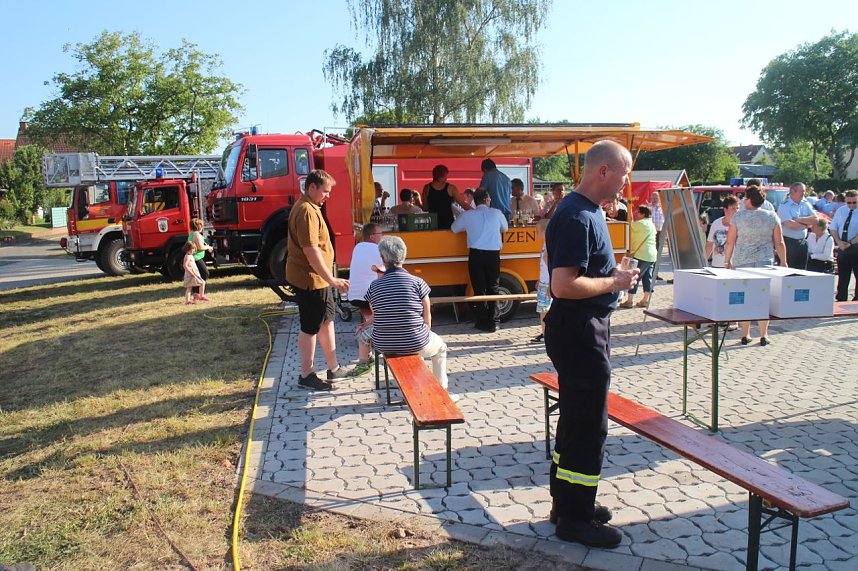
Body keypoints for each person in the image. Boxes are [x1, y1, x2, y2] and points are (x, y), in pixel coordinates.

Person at [544, 140, 639, 548]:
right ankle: (575, 519)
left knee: (576, 419)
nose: (626, 182)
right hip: (581, 329)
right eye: (625, 172)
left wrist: (610, 274)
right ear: (604, 171)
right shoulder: (576, 216)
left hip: (583, 326)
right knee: (588, 425)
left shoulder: (589, 211)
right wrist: (615, 282)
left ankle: (567, 502)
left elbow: (582, 273)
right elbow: (563, 286)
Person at [362, 235, 457, 401]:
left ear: (383, 259)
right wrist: (423, 329)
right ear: (404, 256)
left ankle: (415, 388)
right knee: (440, 348)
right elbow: (427, 315)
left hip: (384, 343)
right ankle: (441, 393)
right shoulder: (417, 282)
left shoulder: (374, 286)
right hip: (415, 341)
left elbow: (375, 313)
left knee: (411, 346)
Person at [285, 169, 351, 391]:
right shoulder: (306, 211)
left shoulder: (311, 207)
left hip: (318, 280)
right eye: (325, 191)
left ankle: (333, 368)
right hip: (311, 280)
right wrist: (331, 279)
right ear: (311, 188)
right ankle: (306, 374)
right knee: (310, 326)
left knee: (327, 320)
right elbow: (311, 250)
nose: (328, 196)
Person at [723, 185, 788, 346]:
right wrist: (784, 261)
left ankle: (745, 334)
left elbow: (730, 241)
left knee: (745, 299)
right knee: (762, 298)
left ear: (750, 200)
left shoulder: (738, 217)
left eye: (745, 197)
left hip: (742, 262)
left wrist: (727, 260)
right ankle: (764, 334)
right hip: (765, 262)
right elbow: (779, 242)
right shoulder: (772, 216)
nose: (744, 200)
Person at [451, 187, 509, 332]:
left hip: (476, 254)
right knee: (494, 288)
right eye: (489, 199)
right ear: (486, 200)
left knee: (479, 289)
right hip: (493, 254)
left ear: (476, 201)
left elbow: (454, 228)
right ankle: (494, 321)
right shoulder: (496, 213)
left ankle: (482, 322)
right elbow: (506, 228)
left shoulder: (468, 215)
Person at [347, 223, 384, 375]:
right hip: (369, 296)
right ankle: (376, 336)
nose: (383, 236)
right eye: (380, 233)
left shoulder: (358, 247)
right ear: (372, 236)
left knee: (368, 310)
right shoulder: (377, 249)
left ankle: (368, 334)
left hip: (353, 296)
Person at [619, 205, 657, 308]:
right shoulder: (651, 224)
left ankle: (629, 301)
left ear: (643, 214)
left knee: (635, 276)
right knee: (647, 277)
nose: (636, 213)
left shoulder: (640, 224)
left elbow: (628, 226)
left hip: (641, 254)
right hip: (652, 255)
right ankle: (645, 300)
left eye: (638, 212)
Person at [777, 182, 819, 269]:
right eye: (802, 191)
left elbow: (816, 219)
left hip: (802, 243)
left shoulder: (805, 203)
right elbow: (790, 224)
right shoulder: (784, 205)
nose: (804, 193)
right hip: (789, 243)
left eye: (804, 191)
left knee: (802, 272)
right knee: (789, 273)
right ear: (793, 191)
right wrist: (807, 225)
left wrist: (799, 219)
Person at [423, 164, 472, 230]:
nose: (446, 178)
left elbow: (425, 207)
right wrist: (477, 211)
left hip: (433, 223)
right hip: (447, 223)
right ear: (440, 177)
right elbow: (463, 205)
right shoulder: (451, 188)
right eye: (445, 176)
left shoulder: (427, 188)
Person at [830, 189, 858, 301]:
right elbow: (833, 228)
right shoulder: (841, 210)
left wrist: (850, 243)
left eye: (854, 202)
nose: (851, 205)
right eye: (849, 202)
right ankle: (841, 298)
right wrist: (839, 241)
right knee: (843, 276)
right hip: (842, 247)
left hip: (856, 246)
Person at [531, 219, 551, 343]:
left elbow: (550, 266)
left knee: (544, 310)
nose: (536, 233)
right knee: (543, 310)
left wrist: (549, 284)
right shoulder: (545, 245)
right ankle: (545, 332)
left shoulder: (549, 246)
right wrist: (540, 279)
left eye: (537, 231)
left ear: (544, 231)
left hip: (547, 284)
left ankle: (546, 334)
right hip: (544, 282)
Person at [705, 195, 740, 268]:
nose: (736, 211)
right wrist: (704, 261)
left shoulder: (741, 224)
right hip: (717, 265)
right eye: (733, 208)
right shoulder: (716, 223)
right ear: (725, 209)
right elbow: (710, 244)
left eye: (737, 208)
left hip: (734, 266)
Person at [187, 218, 213, 301]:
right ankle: (199, 294)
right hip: (196, 258)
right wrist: (208, 247)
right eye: (201, 225)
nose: (202, 226)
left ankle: (196, 293)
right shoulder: (197, 235)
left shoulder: (192, 233)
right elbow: (200, 247)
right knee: (205, 273)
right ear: (198, 226)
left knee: (197, 275)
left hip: (195, 257)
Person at [649, 192, 665, 279]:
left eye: (656, 198)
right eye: (653, 198)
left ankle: (655, 274)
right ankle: (649, 273)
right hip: (650, 233)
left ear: (659, 198)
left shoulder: (662, 208)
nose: (654, 200)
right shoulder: (648, 208)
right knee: (651, 253)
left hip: (659, 233)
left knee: (657, 254)